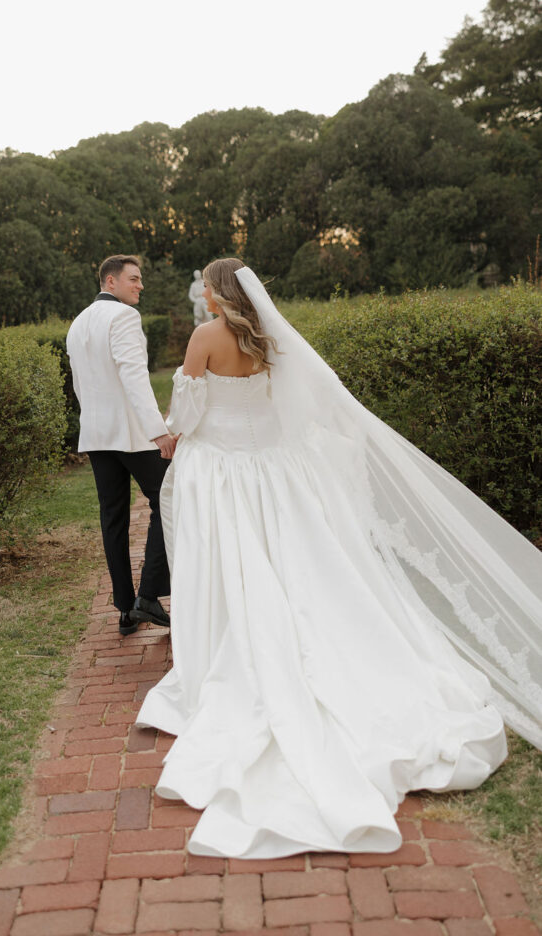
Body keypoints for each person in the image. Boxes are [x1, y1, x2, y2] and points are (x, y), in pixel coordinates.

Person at [137, 256, 542, 859]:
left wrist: (168, 434)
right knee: (304, 569)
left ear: (216, 293)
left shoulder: (204, 337)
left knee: (238, 569)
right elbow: (294, 406)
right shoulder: (273, 336)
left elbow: (190, 416)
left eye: (204, 284)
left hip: (224, 474)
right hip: (278, 471)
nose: (202, 293)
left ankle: (235, 645)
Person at [66, 255, 175, 636]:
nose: (140, 285)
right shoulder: (124, 317)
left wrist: (93, 423)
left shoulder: (78, 323)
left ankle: (126, 609)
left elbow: (80, 385)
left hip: (97, 435)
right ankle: (148, 595)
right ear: (110, 281)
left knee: (113, 518)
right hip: (132, 434)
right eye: (134, 279)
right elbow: (134, 377)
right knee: (170, 499)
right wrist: (158, 430)